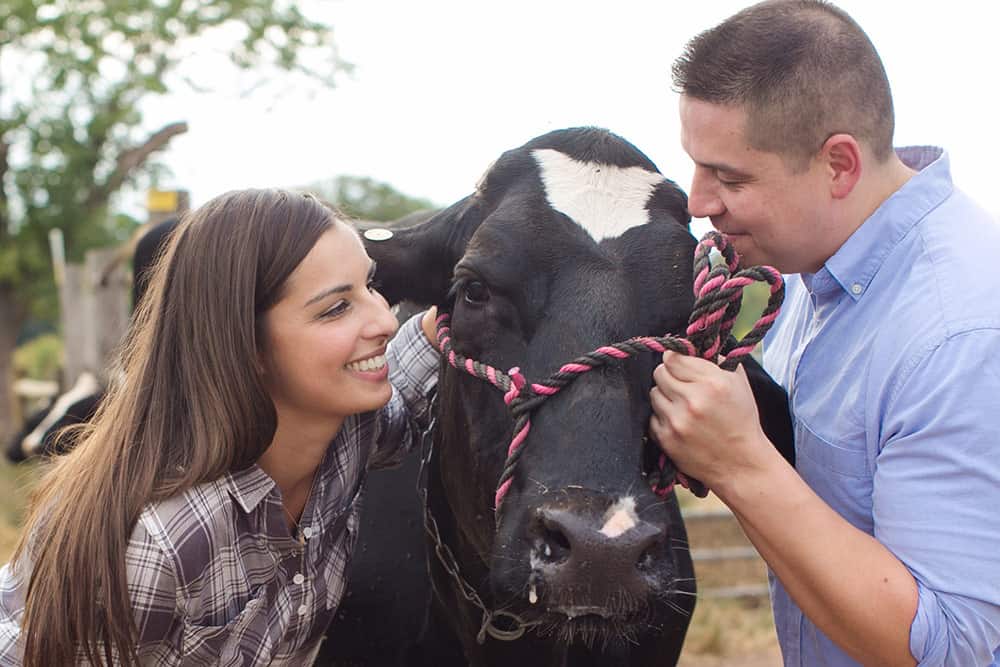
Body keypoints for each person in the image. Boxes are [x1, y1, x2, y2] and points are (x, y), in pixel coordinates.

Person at [648, 2, 1000, 665]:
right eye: (696, 166)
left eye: (729, 177)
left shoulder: (961, 334)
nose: (697, 201)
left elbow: (950, 647)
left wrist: (741, 461)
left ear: (839, 165)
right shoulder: (812, 275)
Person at [0, 189, 440, 665]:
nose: (385, 319)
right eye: (335, 308)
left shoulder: (348, 434)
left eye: (371, 287)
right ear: (246, 347)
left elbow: (417, 368)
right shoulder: (156, 538)